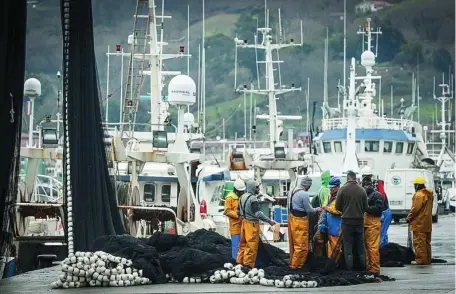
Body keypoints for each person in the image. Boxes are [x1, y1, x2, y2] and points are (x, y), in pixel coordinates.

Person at [236, 180, 276, 269]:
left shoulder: (242, 197)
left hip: (244, 223)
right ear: (253, 187)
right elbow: (258, 213)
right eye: (257, 187)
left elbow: (238, 212)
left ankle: (239, 264)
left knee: (242, 245)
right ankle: (247, 266)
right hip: (252, 225)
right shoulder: (253, 199)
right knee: (251, 246)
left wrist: (245, 214)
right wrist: (269, 221)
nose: (258, 189)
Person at [335, 170, 368, 271]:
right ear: (355, 178)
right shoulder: (362, 190)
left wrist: (345, 210)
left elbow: (337, 206)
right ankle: (363, 268)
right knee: (361, 245)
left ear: (348, 178)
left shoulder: (342, 190)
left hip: (346, 221)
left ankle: (349, 269)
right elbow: (366, 207)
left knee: (348, 245)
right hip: (359, 221)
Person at [288, 176, 322, 269]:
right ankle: (296, 267)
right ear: (307, 185)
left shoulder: (292, 191)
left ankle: (293, 263)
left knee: (294, 245)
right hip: (300, 221)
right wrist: (317, 209)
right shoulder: (304, 194)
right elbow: (309, 210)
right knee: (302, 247)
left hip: (292, 219)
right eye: (310, 185)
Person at [407, 176, 434, 265]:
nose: (414, 187)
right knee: (426, 243)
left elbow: (415, 209)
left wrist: (409, 218)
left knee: (419, 242)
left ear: (418, 185)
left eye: (415, 185)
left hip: (419, 223)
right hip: (427, 223)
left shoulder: (419, 195)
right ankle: (427, 259)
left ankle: (421, 260)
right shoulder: (429, 194)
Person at [361, 173, 384, 276]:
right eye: (364, 184)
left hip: (373, 224)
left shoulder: (377, 195)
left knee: (373, 247)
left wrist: (366, 208)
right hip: (366, 224)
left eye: (367, 184)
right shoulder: (365, 195)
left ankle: (374, 269)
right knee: (366, 247)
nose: (366, 186)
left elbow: (378, 210)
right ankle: (369, 267)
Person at [224, 178, 246, 259]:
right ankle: (236, 263)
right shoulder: (230, 198)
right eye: (241, 191)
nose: (242, 193)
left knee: (243, 246)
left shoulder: (241, 197)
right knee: (236, 247)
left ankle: (242, 262)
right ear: (236, 190)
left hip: (243, 226)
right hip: (235, 227)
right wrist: (238, 214)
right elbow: (227, 211)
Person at [320, 177, 342, 258]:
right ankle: (331, 262)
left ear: (338, 187)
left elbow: (341, 211)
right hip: (328, 226)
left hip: (336, 226)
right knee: (330, 245)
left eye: (332, 187)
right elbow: (324, 205)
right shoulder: (329, 196)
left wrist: (328, 208)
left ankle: (335, 264)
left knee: (336, 247)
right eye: (330, 187)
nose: (331, 189)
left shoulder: (341, 197)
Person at [312, 170, 331, 256]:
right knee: (325, 238)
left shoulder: (321, 188)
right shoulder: (326, 190)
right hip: (326, 215)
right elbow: (327, 204)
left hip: (320, 215)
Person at [377, 179, 392, 248]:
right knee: (384, 233)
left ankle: (382, 248)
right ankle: (385, 247)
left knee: (382, 233)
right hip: (387, 212)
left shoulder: (380, 192)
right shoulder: (382, 192)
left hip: (385, 213)